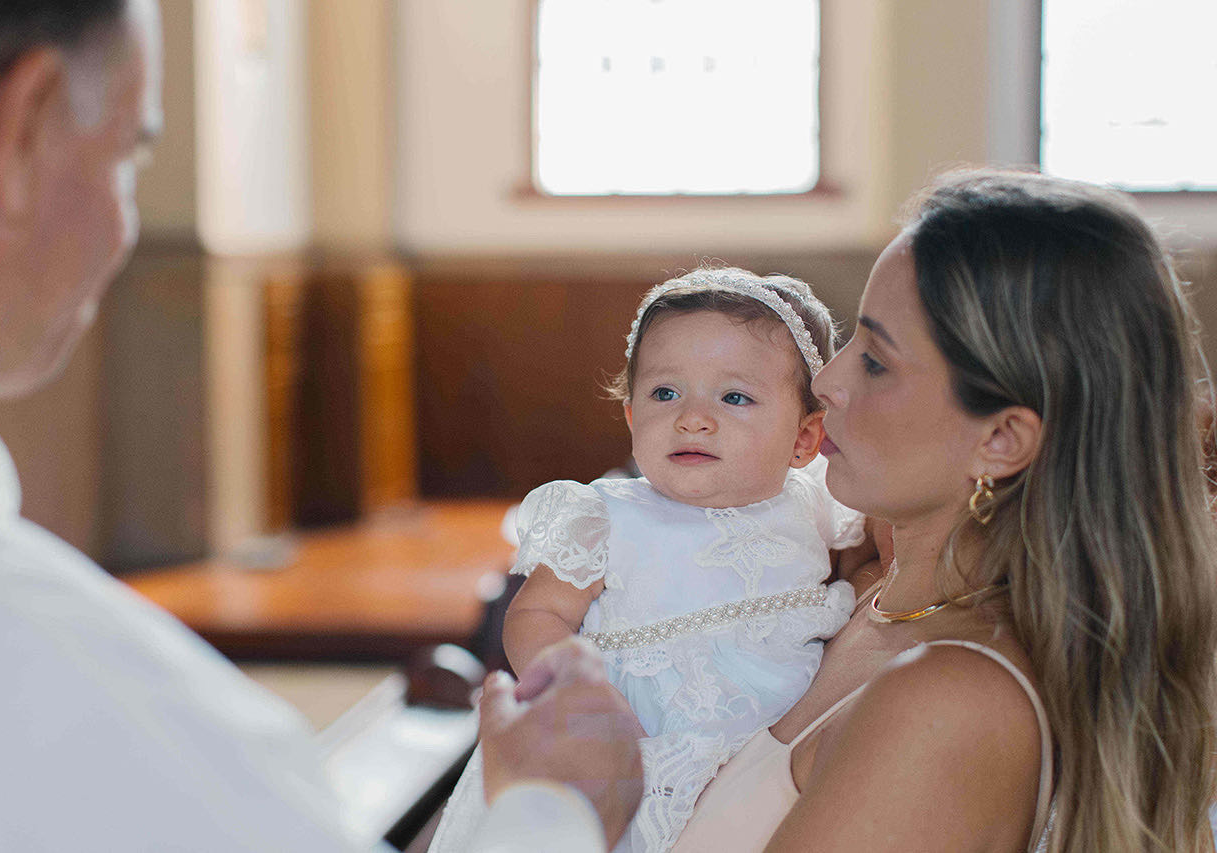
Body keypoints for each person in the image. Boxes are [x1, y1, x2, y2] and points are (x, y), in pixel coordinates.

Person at [0, 2, 643, 850]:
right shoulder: (102, 711)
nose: (125, 231)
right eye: (128, 157)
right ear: (21, 131)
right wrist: (552, 810)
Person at [484, 170, 1217, 852]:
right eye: (854, 336)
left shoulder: (951, 706)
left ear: (999, 439)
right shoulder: (859, 586)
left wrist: (556, 813)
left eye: (875, 359)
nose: (827, 381)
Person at [431, 269, 870, 852]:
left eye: (734, 397)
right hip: (635, 746)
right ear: (633, 416)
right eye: (665, 393)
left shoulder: (817, 505)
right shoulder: (606, 515)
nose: (692, 417)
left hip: (762, 755)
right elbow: (537, 615)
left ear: (804, 439)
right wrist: (581, 700)